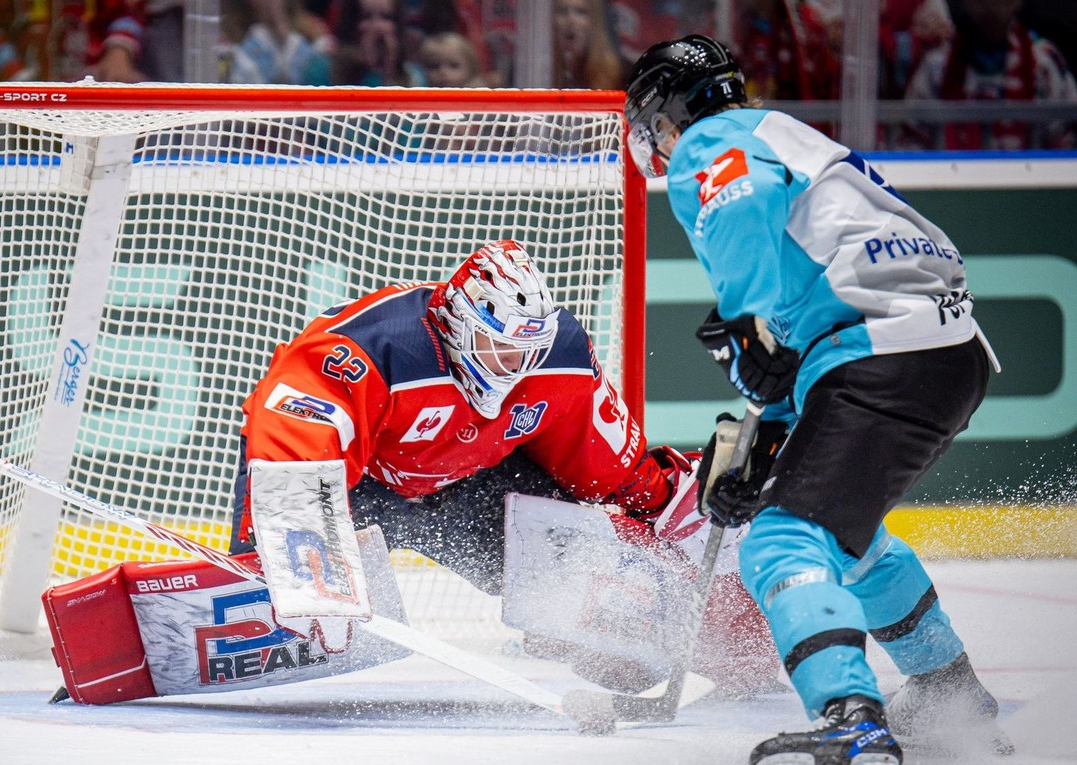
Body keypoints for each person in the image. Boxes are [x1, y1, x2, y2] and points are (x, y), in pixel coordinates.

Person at [624, 34, 1009, 765]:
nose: (657, 146)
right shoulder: (784, 134)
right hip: (943, 354)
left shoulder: (710, 142)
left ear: (667, 115)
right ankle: (948, 692)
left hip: (881, 353)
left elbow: (742, 202)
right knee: (848, 538)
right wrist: (766, 435)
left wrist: (741, 321)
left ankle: (852, 718)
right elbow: (817, 322)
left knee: (780, 541)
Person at [228, 238, 777, 694]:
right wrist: (302, 558)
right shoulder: (370, 347)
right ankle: (256, 575)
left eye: (528, 353)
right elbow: (294, 444)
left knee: (626, 631)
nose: (517, 370)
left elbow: (611, 466)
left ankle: (734, 641)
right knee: (275, 619)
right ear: (459, 327)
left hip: (473, 489)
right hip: (356, 490)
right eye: (501, 350)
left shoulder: (557, 357)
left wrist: (673, 512)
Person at [901, 0, 1077, 149]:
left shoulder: (1043, 61)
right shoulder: (938, 63)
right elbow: (912, 139)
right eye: (981, 2)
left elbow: (1064, 140)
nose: (990, 10)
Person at [551, 0, 626, 90]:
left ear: (595, 21)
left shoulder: (620, 74)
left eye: (580, 12)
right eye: (563, 11)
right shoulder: (545, 71)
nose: (571, 20)